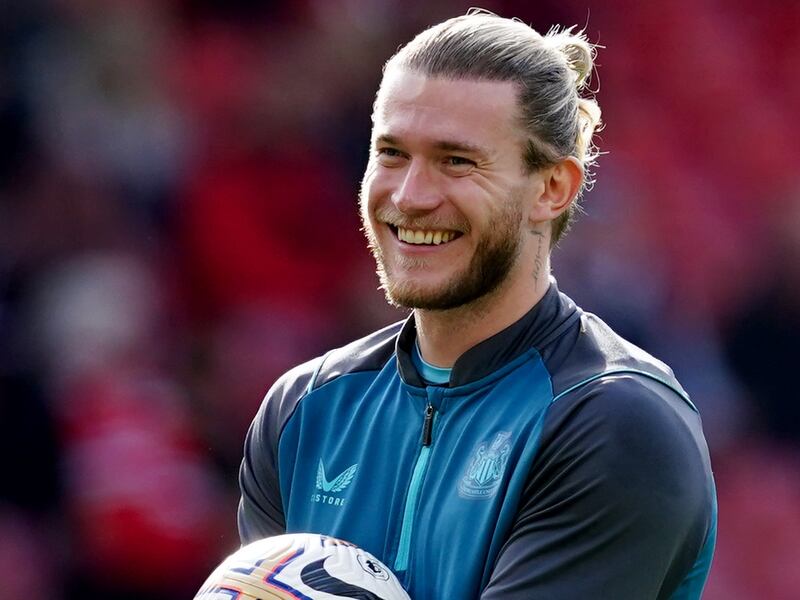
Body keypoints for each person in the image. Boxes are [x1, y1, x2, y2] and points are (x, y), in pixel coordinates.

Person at [237, 10, 717, 600]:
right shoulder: (303, 413)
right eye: (391, 154)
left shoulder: (615, 425)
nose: (410, 196)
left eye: (456, 161)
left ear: (551, 189)